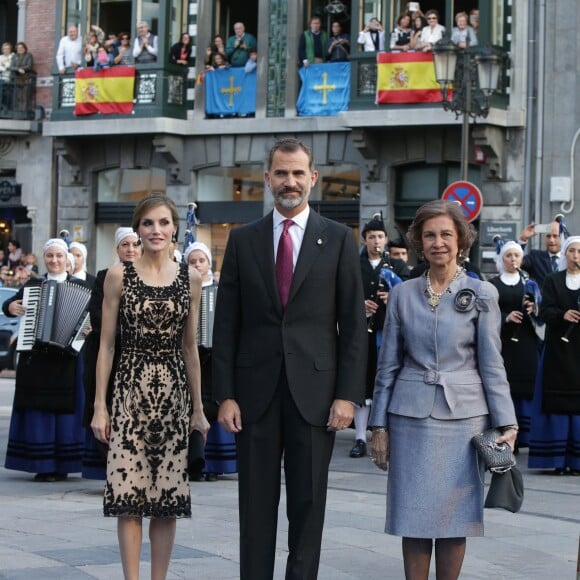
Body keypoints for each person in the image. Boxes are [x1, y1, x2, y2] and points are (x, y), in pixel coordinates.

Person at [212, 137, 367, 580]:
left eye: (298, 173)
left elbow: (352, 326)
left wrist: (347, 396)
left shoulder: (337, 239)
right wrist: (224, 395)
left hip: (316, 396)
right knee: (256, 507)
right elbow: (226, 326)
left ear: (313, 178)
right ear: (267, 179)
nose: (290, 181)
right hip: (254, 396)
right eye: (281, 173)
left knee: (308, 504)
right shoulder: (242, 241)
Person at [370, 200, 518, 579]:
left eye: (446, 234)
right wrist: (378, 426)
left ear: (461, 240)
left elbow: (492, 364)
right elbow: (387, 366)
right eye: (430, 235)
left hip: (465, 422)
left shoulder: (482, 292)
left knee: (456, 519)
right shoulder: (402, 294)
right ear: (419, 241)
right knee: (413, 516)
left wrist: (508, 424)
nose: (438, 242)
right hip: (409, 420)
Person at [91, 194, 209, 579]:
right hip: (128, 393)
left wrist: (198, 409)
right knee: (128, 499)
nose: (155, 230)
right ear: (137, 229)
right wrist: (100, 406)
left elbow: (190, 348)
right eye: (147, 223)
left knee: (166, 500)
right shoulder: (117, 275)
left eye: (163, 222)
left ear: (175, 227)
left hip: (173, 397)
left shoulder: (190, 278)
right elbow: (107, 344)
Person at [3, 238, 91, 481]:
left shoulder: (81, 287)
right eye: (50, 256)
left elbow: (92, 318)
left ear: (67, 260)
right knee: (39, 410)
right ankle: (41, 464)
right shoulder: (33, 285)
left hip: (68, 360)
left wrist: (88, 328)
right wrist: (11, 307)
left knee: (66, 411)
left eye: (59, 256)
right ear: (45, 259)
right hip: (38, 359)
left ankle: (63, 464)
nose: (54, 260)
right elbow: (10, 304)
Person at [81, 227, 142, 480]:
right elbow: (96, 313)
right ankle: (108, 466)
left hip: (139, 356)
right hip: (108, 352)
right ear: (117, 249)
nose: (130, 249)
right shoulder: (105, 276)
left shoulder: (153, 275)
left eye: (134, 244)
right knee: (105, 405)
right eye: (124, 245)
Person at [350, 216, 410, 459]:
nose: (376, 241)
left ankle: (383, 434)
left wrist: (394, 297)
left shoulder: (397, 266)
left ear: (385, 240)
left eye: (380, 237)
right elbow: (342, 294)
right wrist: (359, 306)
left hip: (389, 332)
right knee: (362, 384)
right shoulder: (353, 264)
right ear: (365, 239)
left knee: (385, 381)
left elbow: (412, 296)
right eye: (372, 237)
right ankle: (360, 438)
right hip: (362, 333)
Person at [184, 241, 237, 482]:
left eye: (201, 260)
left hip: (216, 359)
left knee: (216, 405)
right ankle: (195, 460)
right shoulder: (183, 290)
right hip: (191, 358)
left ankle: (216, 462)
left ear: (209, 263)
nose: (197, 265)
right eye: (192, 261)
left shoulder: (220, 290)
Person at [528, 236, 580, 475]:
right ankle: (558, 459)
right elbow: (545, 311)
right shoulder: (552, 280)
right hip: (558, 351)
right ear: (565, 254)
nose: (576, 256)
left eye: (579, 252)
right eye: (572, 251)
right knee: (558, 402)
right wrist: (563, 315)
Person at [489, 241, 539, 447]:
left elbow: (541, 314)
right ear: (502, 259)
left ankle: (524, 435)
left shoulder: (529, 283)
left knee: (525, 385)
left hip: (525, 341)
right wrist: (505, 317)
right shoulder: (493, 283)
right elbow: (488, 313)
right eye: (508, 256)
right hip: (503, 342)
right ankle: (505, 432)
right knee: (504, 385)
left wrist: (533, 308)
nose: (513, 259)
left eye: (516, 256)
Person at [518, 220, 562, 287]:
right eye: (548, 236)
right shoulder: (535, 257)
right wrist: (523, 239)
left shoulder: (571, 259)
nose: (551, 240)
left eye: (555, 236)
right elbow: (515, 262)